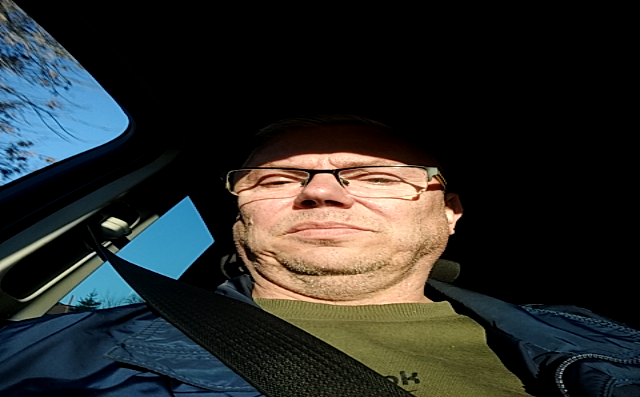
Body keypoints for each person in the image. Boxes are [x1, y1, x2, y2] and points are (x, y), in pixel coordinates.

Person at [0, 115, 638, 396]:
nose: (323, 193)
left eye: (376, 176)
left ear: (449, 212)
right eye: (278, 179)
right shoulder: (49, 355)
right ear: (241, 212)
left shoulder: (602, 338)